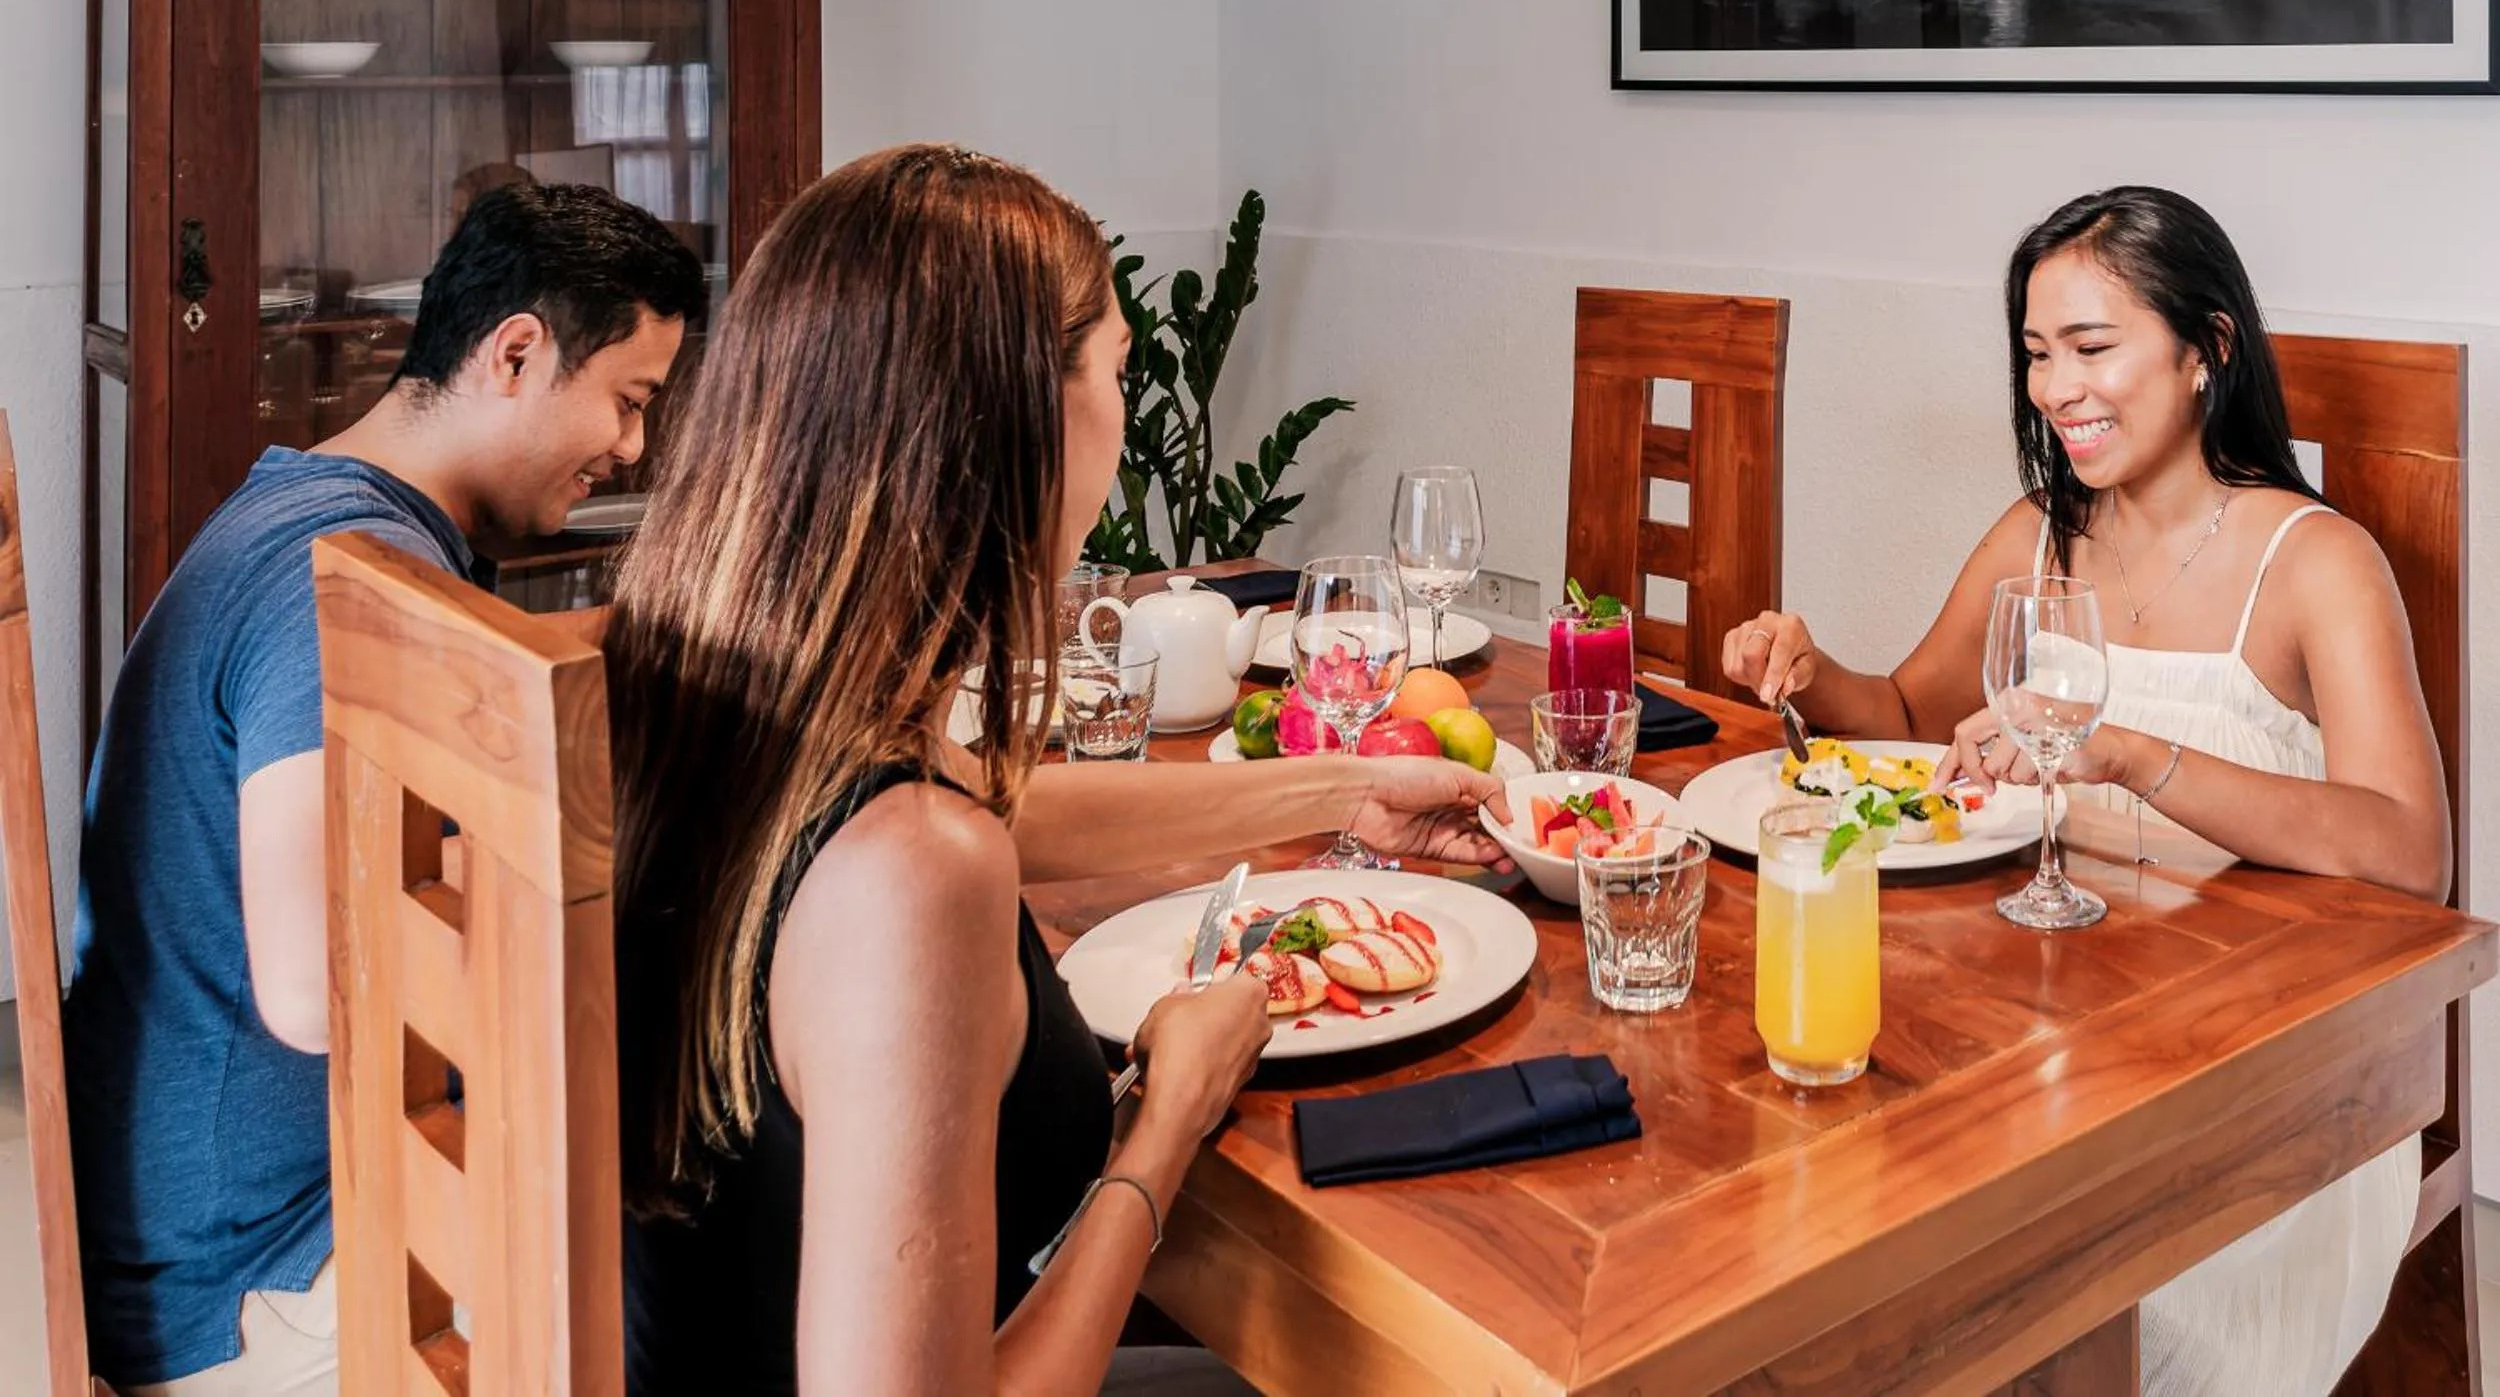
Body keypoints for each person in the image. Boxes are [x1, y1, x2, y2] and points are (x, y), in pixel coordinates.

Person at [607, 146, 1509, 1397]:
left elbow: (1001, 804)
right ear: (1023, 409)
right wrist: (1162, 1128)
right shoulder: (910, 872)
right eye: (1121, 368)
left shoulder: (724, 694)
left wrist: (1340, 788)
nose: (1127, 414)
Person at [1721, 184, 2448, 1397]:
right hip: (2056, 1040)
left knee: (1994, 1293)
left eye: (2092, 348)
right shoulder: (2036, 539)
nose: (2057, 388)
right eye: (2036, 354)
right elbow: (1903, 719)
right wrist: (1809, 667)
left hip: (2266, 1090)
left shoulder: (2316, 562)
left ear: (2206, 347)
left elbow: (2408, 849)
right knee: (1827, 1226)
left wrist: (2131, 753)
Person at [67, 181, 705, 1397]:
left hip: (224, 1234)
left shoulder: (318, 517)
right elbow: (315, 984)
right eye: (626, 400)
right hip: (262, 1287)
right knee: (706, 1230)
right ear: (515, 351)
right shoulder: (353, 583)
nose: (630, 447)